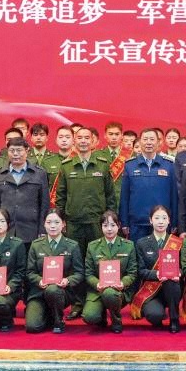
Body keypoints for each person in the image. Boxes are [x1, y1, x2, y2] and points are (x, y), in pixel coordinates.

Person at [56, 126, 117, 319]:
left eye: (86, 138)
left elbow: (110, 195)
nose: (83, 141)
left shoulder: (102, 164)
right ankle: (78, 303)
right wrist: (61, 221)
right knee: (76, 264)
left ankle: (99, 300)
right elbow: (60, 197)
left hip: (96, 224)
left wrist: (110, 220)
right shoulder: (66, 166)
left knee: (98, 262)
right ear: (74, 141)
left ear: (93, 141)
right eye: (79, 138)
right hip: (74, 224)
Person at [0, 137, 49, 256]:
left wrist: (42, 230)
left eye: (19, 150)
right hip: (5, 230)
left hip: (31, 230)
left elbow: (44, 204)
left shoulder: (39, 174)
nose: (15, 154)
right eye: (12, 150)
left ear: (27, 151)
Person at [25, 209, 84, 333]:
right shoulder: (36, 245)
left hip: (61, 292)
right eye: (49, 222)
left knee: (53, 290)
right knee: (32, 327)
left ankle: (58, 320)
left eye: (57, 222)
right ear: (44, 224)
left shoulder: (72, 245)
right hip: (39, 292)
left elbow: (79, 273)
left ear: (63, 224)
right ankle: (48, 314)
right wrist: (39, 280)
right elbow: (30, 272)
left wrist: (67, 280)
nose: (52, 226)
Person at [129, 206, 184, 333]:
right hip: (151, 291)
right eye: (157, 218)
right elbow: (140, 271)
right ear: (150, 220)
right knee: (155, 316)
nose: (160, 221)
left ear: (169, 221)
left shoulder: (178, 242)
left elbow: (183, 267)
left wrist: (179, 273)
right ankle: (159, 311)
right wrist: (158, 274)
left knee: (171, 280)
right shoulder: (142, 243)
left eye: (164, 218)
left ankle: (174, 319)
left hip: (172, 289)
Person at [118, 129, 179, 241]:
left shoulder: (169, 165)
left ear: (158, 142)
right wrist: (124, 222)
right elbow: (124, 197)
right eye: (145, 139)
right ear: (139, 142)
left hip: (162, 223)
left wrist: (174, 221)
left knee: (161, 252)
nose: (148, 142)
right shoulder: (130, 165)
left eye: (152, 139)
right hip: (137, 224)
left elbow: (174, 196)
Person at [82, 211, 137, 333]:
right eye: (105, 225)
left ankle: (116, 320)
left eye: (113, 225)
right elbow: (89, 274)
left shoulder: (128, 245)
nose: (109, 229)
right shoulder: (92, 246)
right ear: (101, 227)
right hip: (98, 290)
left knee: (110, 293)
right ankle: (101, 315)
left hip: (119, 291)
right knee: (90, 317)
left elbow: (132, 273)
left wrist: (123, 283)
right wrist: (97, 284)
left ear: (119, 226)